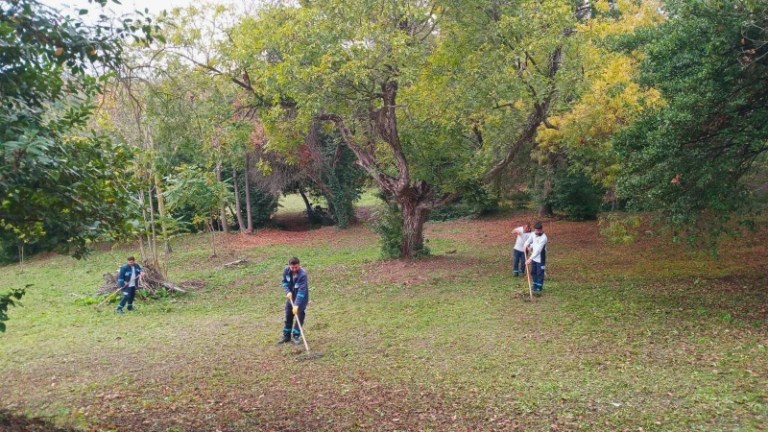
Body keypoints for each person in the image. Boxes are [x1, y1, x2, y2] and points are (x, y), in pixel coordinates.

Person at [278, 257, 309, 345]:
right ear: (289, 265)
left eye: (296, 267)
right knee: (288, 316)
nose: (294, 269)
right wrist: (288, 292)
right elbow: (284, 282)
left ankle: (296, 336)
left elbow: (301, 290)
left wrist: (296, 304)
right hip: (290, 298)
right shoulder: (286, 271)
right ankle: (286, 336)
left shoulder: (303, 274)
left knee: (299, 316)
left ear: (299, 265)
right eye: (292, 267)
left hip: (301, 299)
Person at [524, 221, 548, 296]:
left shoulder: (544, 238)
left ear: (541, 229)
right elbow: (530, 240)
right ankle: (534, 286)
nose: (536, 232)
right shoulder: (533, 234)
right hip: (534, 257)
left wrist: (530, 259)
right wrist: (526, 245)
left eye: (537, 230)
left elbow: (538, 250)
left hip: (541, 258)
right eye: (535, 230)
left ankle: (539, 288)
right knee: (533, 272)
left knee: (539, 273)